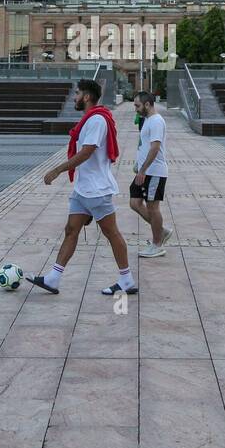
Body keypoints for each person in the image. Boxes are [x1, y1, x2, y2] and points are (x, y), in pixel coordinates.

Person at [28, 79, 138, 296]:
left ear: (87, 97)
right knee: (71, 230)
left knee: (111, 233)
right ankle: (53, 279)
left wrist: (57, 170)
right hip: (83, 190)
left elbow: (87, 151)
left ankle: (126, 280)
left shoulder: (96, 120)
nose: (74, 97)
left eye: (77, 93)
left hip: (97, 190)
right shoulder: (90, 119)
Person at [129, 91, 172, 258]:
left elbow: (155, 148)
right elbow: (145, 145)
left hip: (154, 172)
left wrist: (143, 170)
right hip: (145, 170)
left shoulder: (156, 122)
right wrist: (138, 164)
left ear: (147, 104)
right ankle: (162, 230)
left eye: (137, 105)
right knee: (134, 202)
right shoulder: (147, 120)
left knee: (153, 208)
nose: (135, 109)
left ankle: (157, 244)